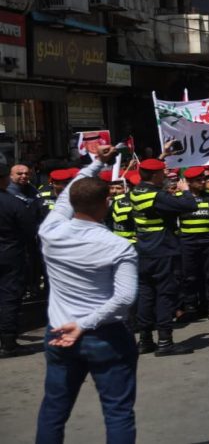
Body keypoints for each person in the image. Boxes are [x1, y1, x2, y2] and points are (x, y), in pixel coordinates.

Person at [35, 146, 139, 443]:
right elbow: (125, 298)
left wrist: (96, 163)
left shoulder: (50, 230)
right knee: (117, 411)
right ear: (107, 202)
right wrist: (83, 324)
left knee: (54, 409)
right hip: (105, 335)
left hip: (59, 332)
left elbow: (68, 194)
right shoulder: (118, 245)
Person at [128, 158, 197, 356]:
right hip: (163, 250)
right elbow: (190, 205)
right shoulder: (156, 196)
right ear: (155, 175)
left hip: (144, 250)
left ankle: (145, 340)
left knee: (146, 295)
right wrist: (185, 190)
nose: (165, 176)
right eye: (162, 173)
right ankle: (165, 342)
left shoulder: (136, 191)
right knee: (165, 295)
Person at [178, 167, 209, 322]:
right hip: (187, 242)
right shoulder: (179, 198)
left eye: (204, 179)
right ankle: (190, 308)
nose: (203, 182)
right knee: (189, 276)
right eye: (198, 180)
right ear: (189, 182)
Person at [0, 164, 35, 357]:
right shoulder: (13, 203)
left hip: (10, 253)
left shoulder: (13, 201)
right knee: (9, 297)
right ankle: (8, 343)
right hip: (10, 255)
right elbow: (29, 230)